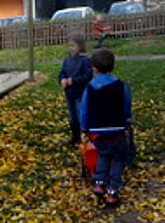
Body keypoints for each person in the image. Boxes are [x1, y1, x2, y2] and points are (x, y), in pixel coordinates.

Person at [79, 48, 137, 204]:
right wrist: (126, 123)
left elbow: (84, 110)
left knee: (103, 155)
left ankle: (99, 183)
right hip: (117, 130)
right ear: (114, 67)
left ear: (94, 68)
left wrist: (84, 129)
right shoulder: (121, 86)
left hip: (98, 132)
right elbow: (126, 106)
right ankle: (113, 189)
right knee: (119, 159)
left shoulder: (90, 88)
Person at [58, 33, 93, 145]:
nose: (70, 48)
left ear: (80, 46)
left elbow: (87, 76)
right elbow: (62, 72)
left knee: (81, 114)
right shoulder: (67, 60)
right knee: (72, 115)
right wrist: (62, 79)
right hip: (69, 93)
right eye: (69, 46)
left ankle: (85, 137)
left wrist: (74, 80)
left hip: (80, 93)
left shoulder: (85, 60)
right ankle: (75, 137)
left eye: (73, 46)